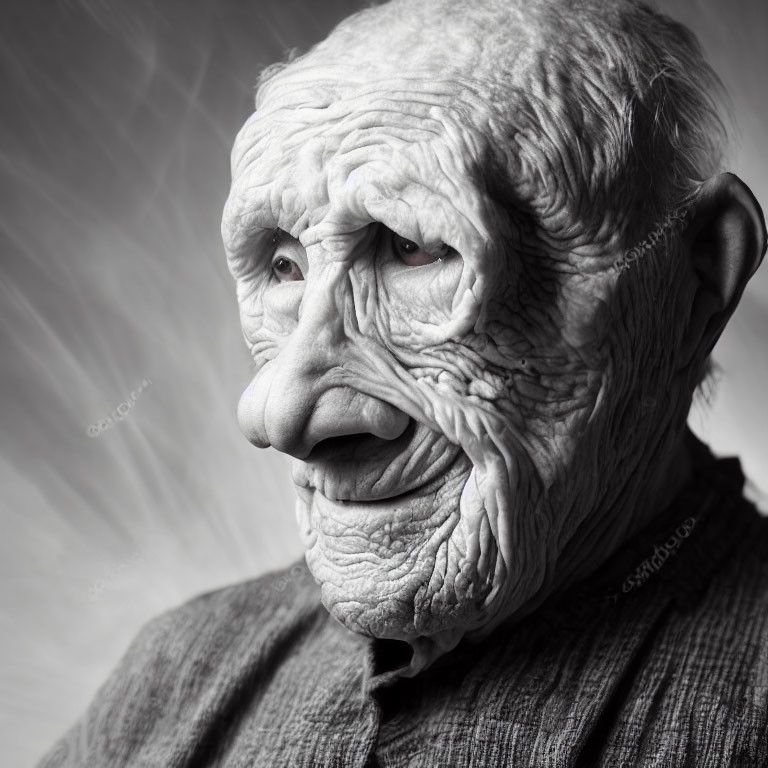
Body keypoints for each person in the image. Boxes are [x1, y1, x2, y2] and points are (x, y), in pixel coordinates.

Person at [39, 0, 768, 765]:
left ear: (697, 279)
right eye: (285, 266)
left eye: (413, 248)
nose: (279, 413)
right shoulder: (176, 670)